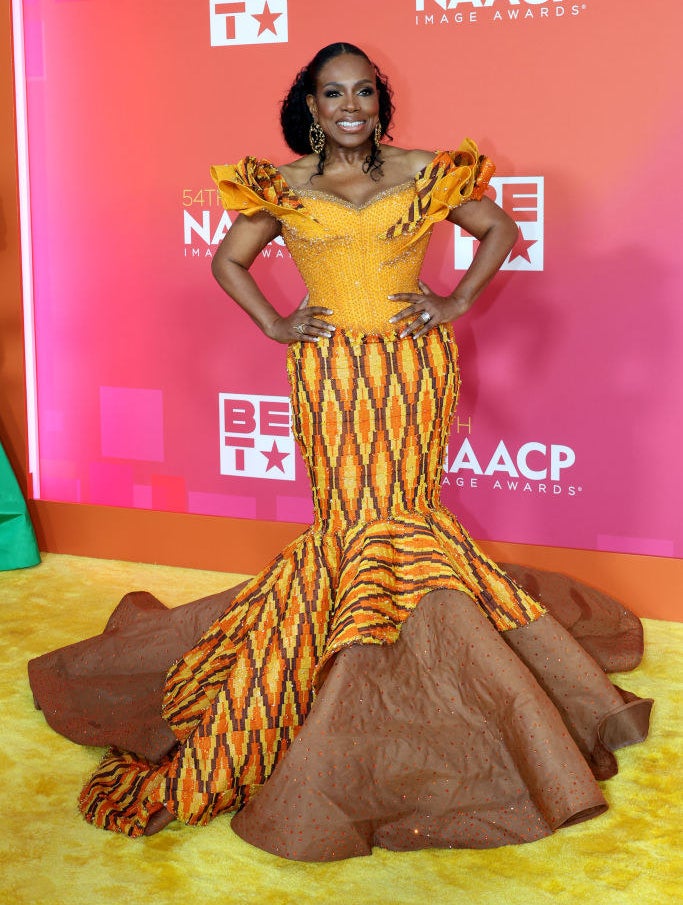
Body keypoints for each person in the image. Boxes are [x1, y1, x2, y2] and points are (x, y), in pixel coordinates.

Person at [29, 42, 652, 861]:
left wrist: (454, 299)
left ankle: (424, 683)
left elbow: (497, 227)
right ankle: (355, 679)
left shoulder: (426, 170)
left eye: (363, 91)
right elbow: (228, 261)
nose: (349, 105)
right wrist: (277, 324)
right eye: (333, 93)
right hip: (326, 373)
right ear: (311, 107)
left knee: (402, 514)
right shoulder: (280, 185)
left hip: (411, 367)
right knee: (351, 521)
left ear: (378, 102)